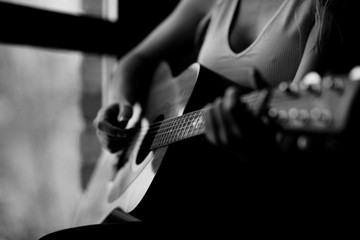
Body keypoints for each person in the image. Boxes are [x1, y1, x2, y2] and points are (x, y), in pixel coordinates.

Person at [40, 0, 359, 238]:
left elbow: (299, 164)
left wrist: (257, 151)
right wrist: (122, 108)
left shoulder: (322, 10)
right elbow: (135, 61)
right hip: (174, 200)